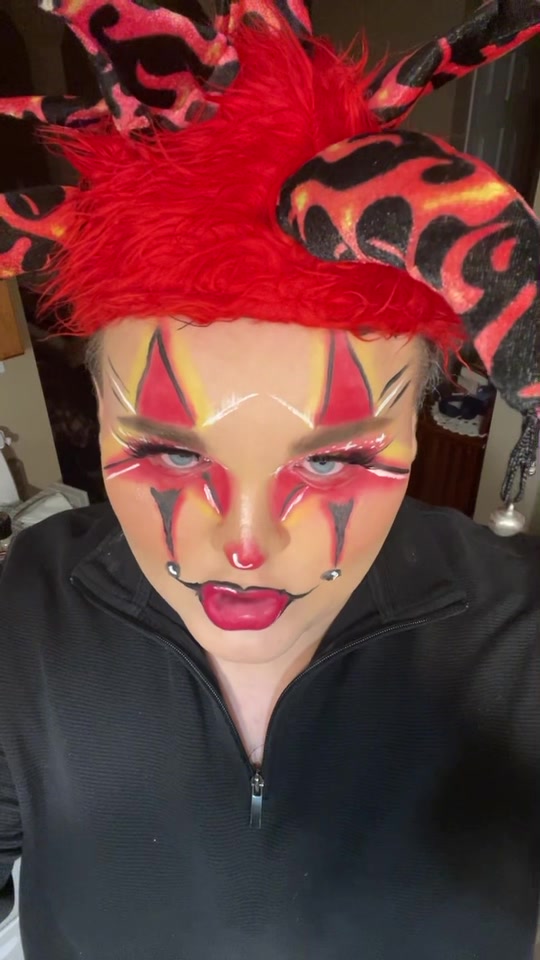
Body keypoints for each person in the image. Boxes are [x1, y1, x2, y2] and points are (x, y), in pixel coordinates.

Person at [0, 1, 539, 957]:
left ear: (420, 424)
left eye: (331, 459)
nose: (244, 544)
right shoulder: (25, 614)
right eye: (172, 453)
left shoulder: (519, 638)